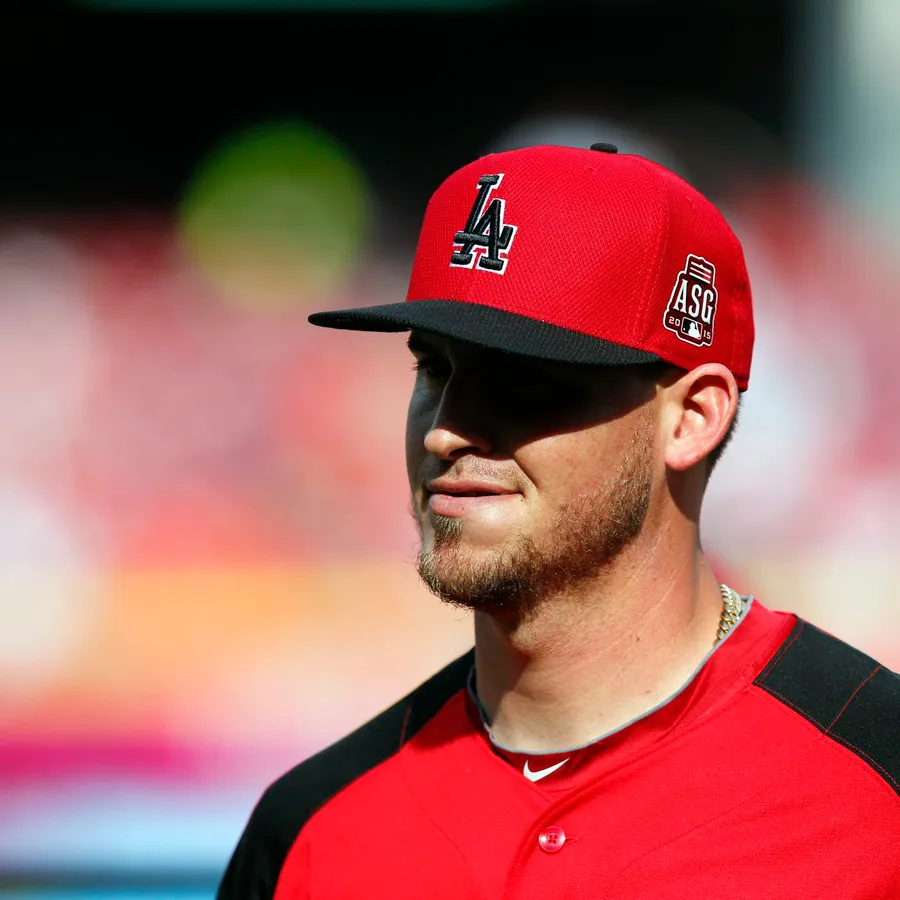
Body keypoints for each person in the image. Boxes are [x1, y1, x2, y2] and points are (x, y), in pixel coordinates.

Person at [217, 143, 900, 899]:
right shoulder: (311, 831)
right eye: (434, 368)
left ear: (691, 419)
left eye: (523, 379)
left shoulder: (880, 784)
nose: (445, 431)